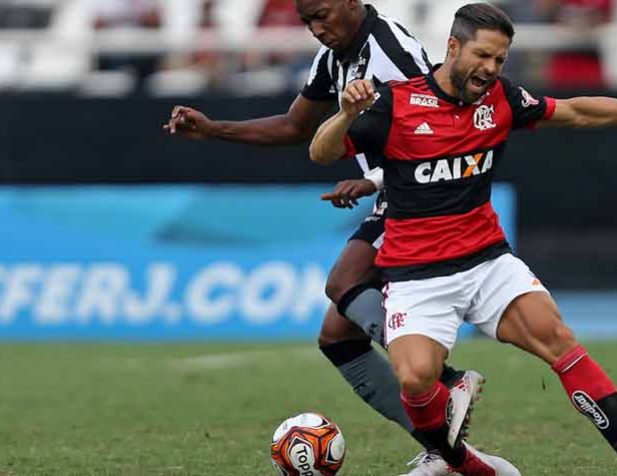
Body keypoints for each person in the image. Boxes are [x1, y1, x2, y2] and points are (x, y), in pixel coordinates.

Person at [309, 3, 617, 475]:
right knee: (415, 379)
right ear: (453, 47)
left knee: (558, 340)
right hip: (416, 275)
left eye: (500, 60)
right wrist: (344, 114)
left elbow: (576, 112)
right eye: (483, 55)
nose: (490, 68)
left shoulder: (501, 99)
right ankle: (466, 465)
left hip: (486, 262)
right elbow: (321, 152)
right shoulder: (395, 103)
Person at [164, 1, 481, 474]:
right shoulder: (335, 57)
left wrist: (374, 181)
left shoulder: (388, 49)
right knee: (338, 336)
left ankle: (448, 383)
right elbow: (296, 126)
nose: (317, 29)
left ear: (351, 3)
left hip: (423, 192)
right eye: (308, 21)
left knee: (343, 281)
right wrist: (213, 129)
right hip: (395, 189)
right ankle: (446, 452)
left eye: (323, 15)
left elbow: (442, 122)